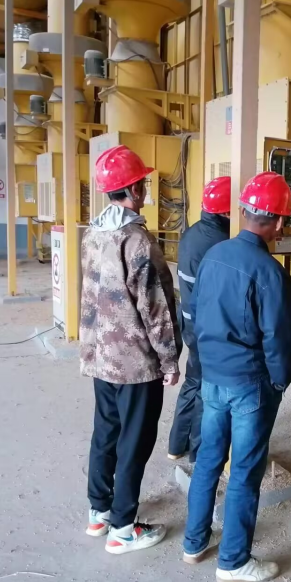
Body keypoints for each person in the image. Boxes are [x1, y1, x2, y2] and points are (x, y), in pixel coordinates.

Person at [182, 172, 291, 582]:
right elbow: (279, 339)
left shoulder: (214, 255)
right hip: (249, 383)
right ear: (278, 221)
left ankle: (194, 543)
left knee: (208, 461)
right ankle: (233, 561)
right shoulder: (270, 273)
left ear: (245, 212)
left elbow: (195, 315)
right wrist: (280, 381)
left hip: (212, 378)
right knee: (246, 472)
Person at [79, 145, 182, 555]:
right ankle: (123, 528)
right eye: (144, 183)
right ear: (135, 189)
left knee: (106, 433)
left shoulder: (93, 234)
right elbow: (156, 308)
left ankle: (99, 512)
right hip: (136, 364)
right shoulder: (138, 241)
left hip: (101, 357)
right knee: (134, 443)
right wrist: (170, 360)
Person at [167, 177, 231, 463]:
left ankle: (176, 445)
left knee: (192, 381)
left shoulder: (192, 232)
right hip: (208, 328)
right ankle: (199, 451)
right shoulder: (222, 242)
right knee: (208, 387)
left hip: (189, 322)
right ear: (227, 211)